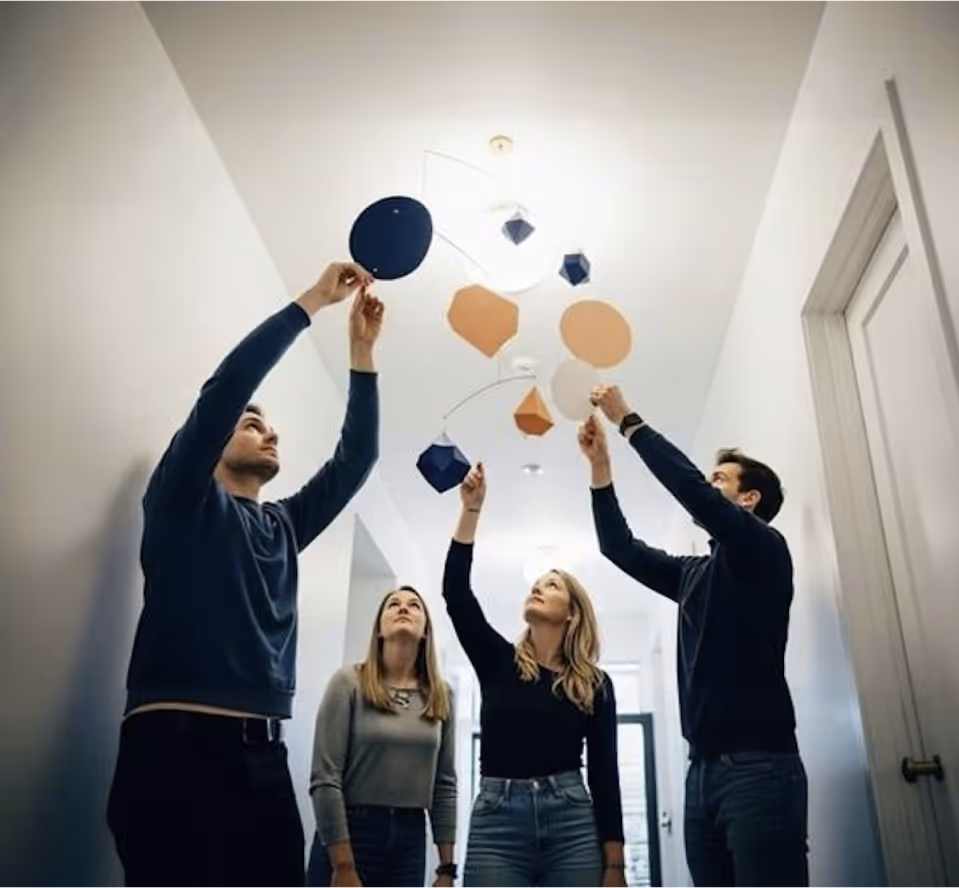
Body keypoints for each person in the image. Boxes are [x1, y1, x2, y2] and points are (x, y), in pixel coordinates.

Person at [106, 263, 384, 888]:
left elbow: (357, 458)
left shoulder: (283, 526)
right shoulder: (183, 501)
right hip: (172, 750)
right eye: (252, 423)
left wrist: (361, 354)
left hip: (263, 757)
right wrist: (314, 301)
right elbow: (227, 389)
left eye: (269, 424)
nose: (270, 430)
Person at [578, 385, 807, 888]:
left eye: (719, 479)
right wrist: (600, 470)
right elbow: (619, 548)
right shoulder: (693, 575)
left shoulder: (765, 549)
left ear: (749, 499)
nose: (707, 485)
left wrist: (628, 420)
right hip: (700, 776)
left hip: (760, 769)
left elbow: (692, 492)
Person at [443, 462, 628, 888]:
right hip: (497, 824)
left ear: (572, 612)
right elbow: (456, 593)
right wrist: (471, 511)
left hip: (573, 824)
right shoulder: (497, 662)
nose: (537, 588)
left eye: (552, 585)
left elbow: (605, 773)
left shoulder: (595, 684)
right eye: (536, 583)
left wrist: (615, 865)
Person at [307, 585, 458, 888]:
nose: (404, 608)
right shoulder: (348, 682)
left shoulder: (441, 695)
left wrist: (446, 869)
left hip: (410, 841)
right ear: (378, 629)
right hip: (350, 833)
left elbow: (445, 785)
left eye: (415, 605)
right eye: (393, 604)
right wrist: (344, 865)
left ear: (426, 630)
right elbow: (325, 779)